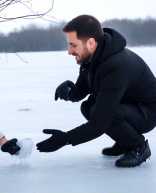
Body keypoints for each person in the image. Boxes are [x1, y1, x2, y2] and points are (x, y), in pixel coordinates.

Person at [36, 15, 156, 168]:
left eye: (73, 45)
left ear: (90, 43)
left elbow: (100, 123)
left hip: (147, 112)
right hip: (129, 103)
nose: (69, 51)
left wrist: (65, 138)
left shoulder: (114, 66)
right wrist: (69, 90)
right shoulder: (93, 58)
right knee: (88, 107)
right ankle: (124, 141)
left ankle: (138, 147)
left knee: (107, 115)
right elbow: (81, 89)